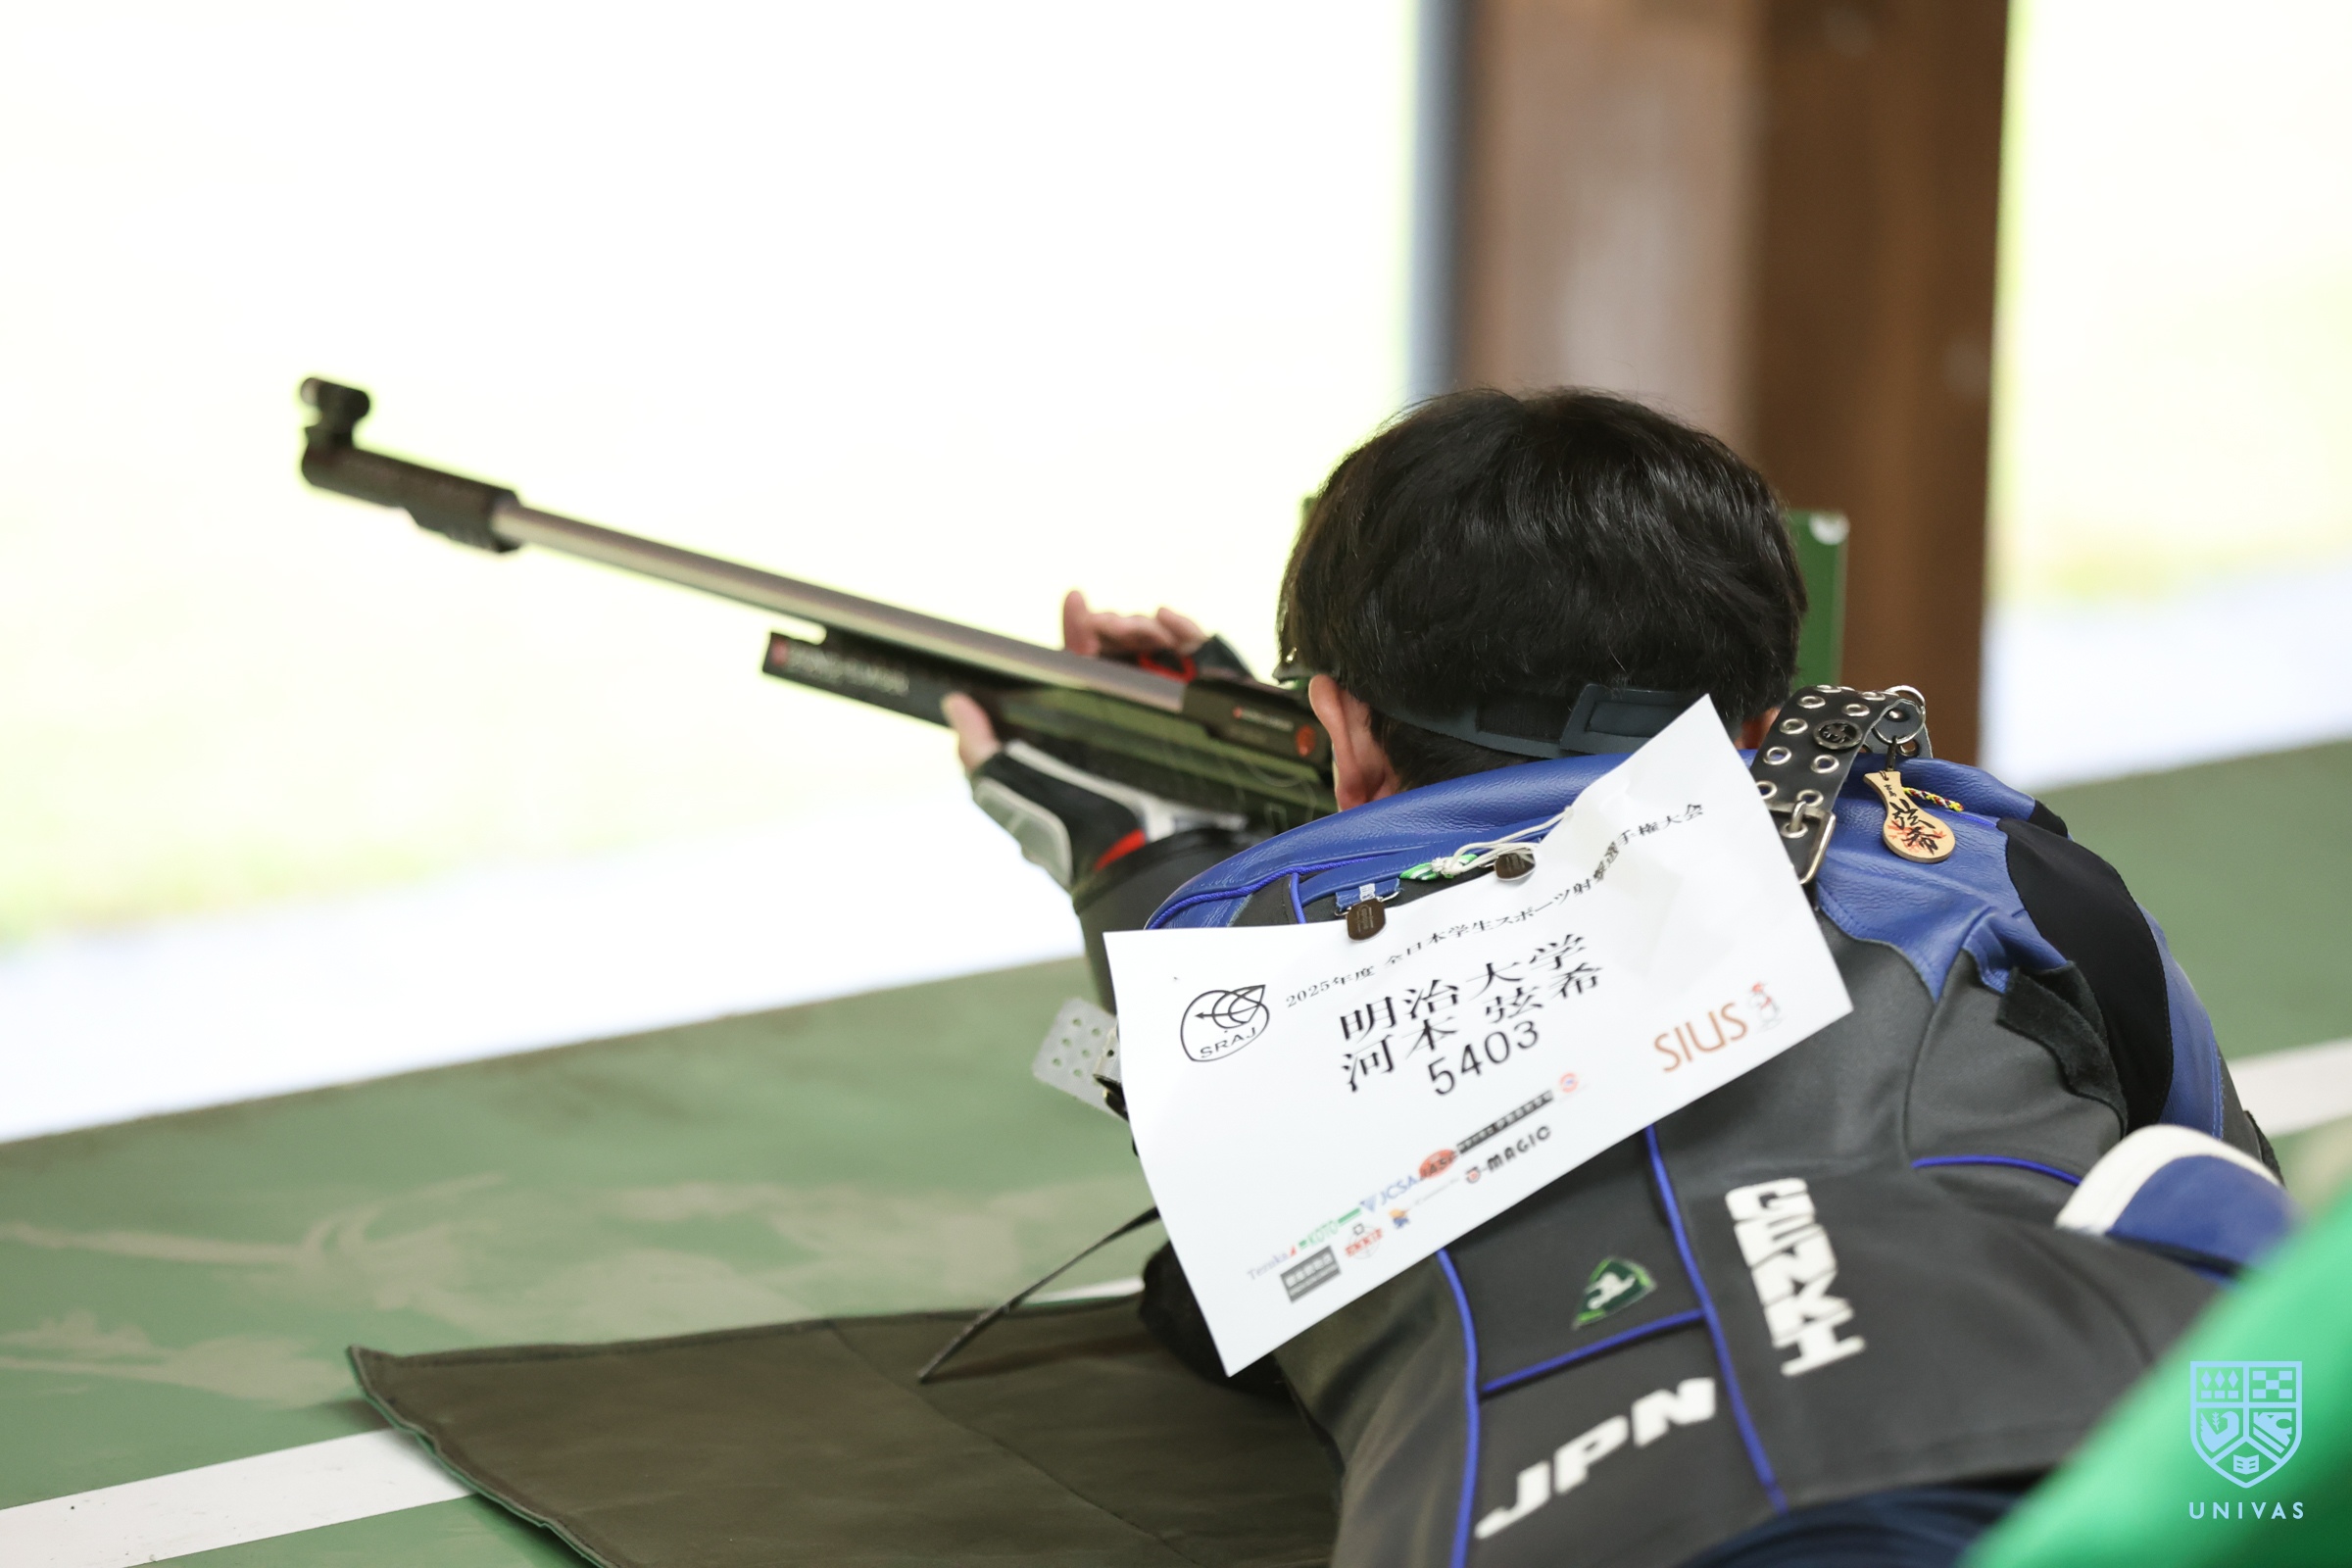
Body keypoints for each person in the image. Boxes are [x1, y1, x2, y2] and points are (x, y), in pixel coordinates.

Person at [943, 389, 2284, 1568]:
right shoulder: (2001, 870)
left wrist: (1123, 858)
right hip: (2106, 1460)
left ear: (1342, 735)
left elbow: (1225, 1278)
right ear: (1761, 720)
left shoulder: (1230, 980)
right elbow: (2237, 1190)